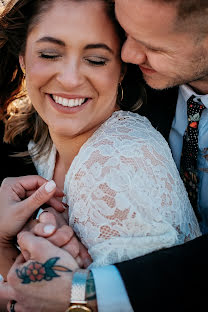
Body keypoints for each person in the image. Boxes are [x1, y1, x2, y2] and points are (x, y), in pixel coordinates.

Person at [0, 0, 207, 311]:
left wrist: (83, 292)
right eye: (49, 54)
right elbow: (36, 291)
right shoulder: (39, 130)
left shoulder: (126, 157)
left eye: (96, 59)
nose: (129, 52)